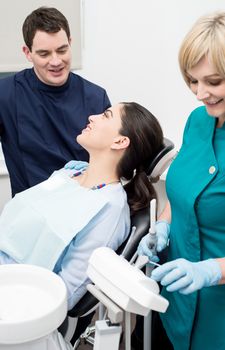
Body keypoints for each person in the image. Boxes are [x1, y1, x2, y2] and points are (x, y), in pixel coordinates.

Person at [0, 102, 164, 311]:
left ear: (120, 141)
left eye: (106, 115)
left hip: (16, 296)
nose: (92, 117)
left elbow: (67, 293)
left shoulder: (109, 208)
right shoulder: (70, 174)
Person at [138, 12, 225, 350]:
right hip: (181, 303)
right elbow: (181, 191)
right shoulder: (197, 121)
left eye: (214, 81)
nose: (200, 93)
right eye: (192, 80)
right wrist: (162, 226)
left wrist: (211, 272)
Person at [0, 6, 110, 197]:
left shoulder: (95, 97)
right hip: (31, 213)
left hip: (83, 208)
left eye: (62, 50)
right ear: (28, 53)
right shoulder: (7, 94)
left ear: (70, 42)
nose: (56, 61)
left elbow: (110, 165)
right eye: (44, 54)